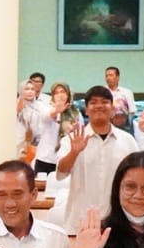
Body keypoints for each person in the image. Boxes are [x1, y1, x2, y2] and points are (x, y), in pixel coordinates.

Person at [56, 85, 138, 229]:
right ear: (86, 110)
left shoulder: (128, 141)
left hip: (119, 222)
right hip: (80, 221)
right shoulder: (72, 139)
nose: (99, 106)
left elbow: (137, 176)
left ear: (112, 108)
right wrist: (74, 152)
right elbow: (61, 173)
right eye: (93, 102)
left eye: (104, 102)